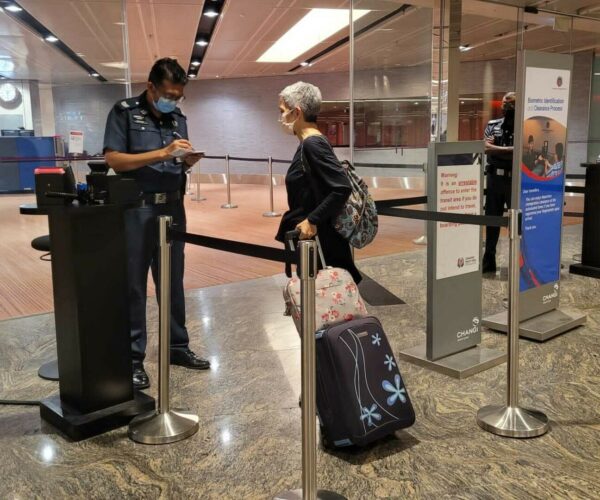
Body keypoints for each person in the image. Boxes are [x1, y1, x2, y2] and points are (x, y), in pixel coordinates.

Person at [103, 58, 210, 390]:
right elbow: (114, 159)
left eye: (178, 95)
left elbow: (176, 163)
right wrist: (163, 153)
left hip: (173, 208)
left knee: (172, 281)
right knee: (134, 285)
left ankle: (177, 346)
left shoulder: (178, 118)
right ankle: (133, 359)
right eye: (167, 93)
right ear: (150, 87)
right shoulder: (124, 112)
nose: (172, 100)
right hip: (136, 210)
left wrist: (185, 161)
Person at [275, 81, 361, 284]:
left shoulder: (313, 144)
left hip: (322, 242)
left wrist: (312, 220)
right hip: (315, 241)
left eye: (282, 111)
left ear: (297, 113)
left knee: (325, 303)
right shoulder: (309, 143)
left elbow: (341, 187)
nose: (281, 117)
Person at [482, 92, 516, 274]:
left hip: (515, 180)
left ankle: (520, 262)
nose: (506, 106)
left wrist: (499, 150)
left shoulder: (526, 128)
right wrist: (511, 149)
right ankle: (489, 262)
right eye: (504, 103)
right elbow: (486, 148)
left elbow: (524, 152)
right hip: (495, 178)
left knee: (517, 223)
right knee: (492, 220)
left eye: (511, 103)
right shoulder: (493, 125)